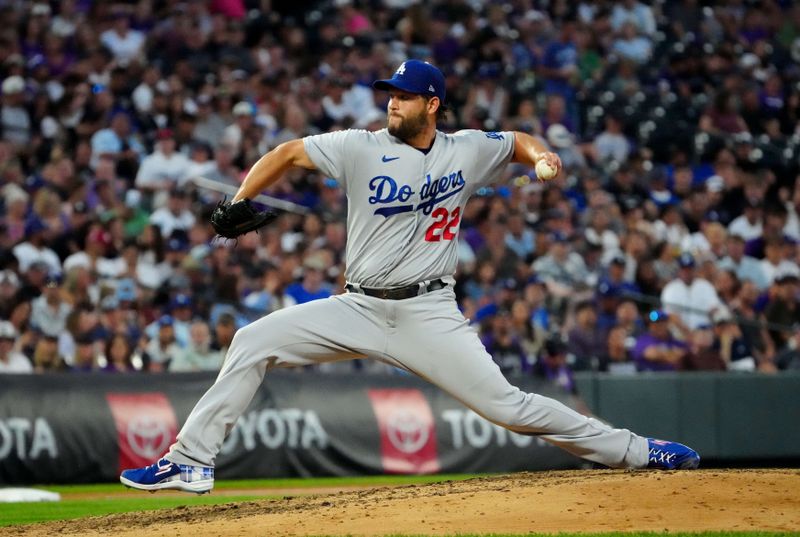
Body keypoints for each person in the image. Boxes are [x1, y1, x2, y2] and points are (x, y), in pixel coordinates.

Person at [120, 60, 699, 494]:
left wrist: (542, 156)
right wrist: (243, 196)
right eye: (389, 95)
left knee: (511, 409)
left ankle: (638, 451)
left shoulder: (465, 149)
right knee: (253, 340)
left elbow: (518, 141)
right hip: (358, 307)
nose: (391, 104)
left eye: (402, 97)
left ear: (432, 104)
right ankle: (192, 458)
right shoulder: (357, 147)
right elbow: (289, 151)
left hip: (429, 313)